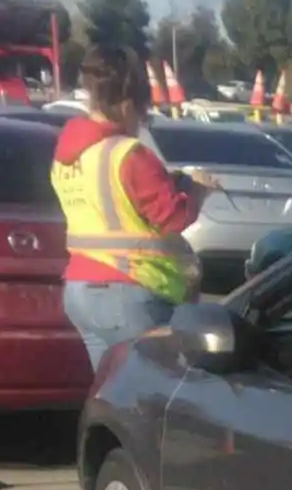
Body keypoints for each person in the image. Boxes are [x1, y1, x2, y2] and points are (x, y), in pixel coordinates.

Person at [51, 45, 209, 368]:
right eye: (142, 114)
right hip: (127, 290)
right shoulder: (129, 154)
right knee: (156, 392)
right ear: (126, 106)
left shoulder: (69, 154)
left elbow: (117, 203)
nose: (141, 123)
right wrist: (199, 191)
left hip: (81, 290)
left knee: (112, 390)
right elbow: (172, 217)